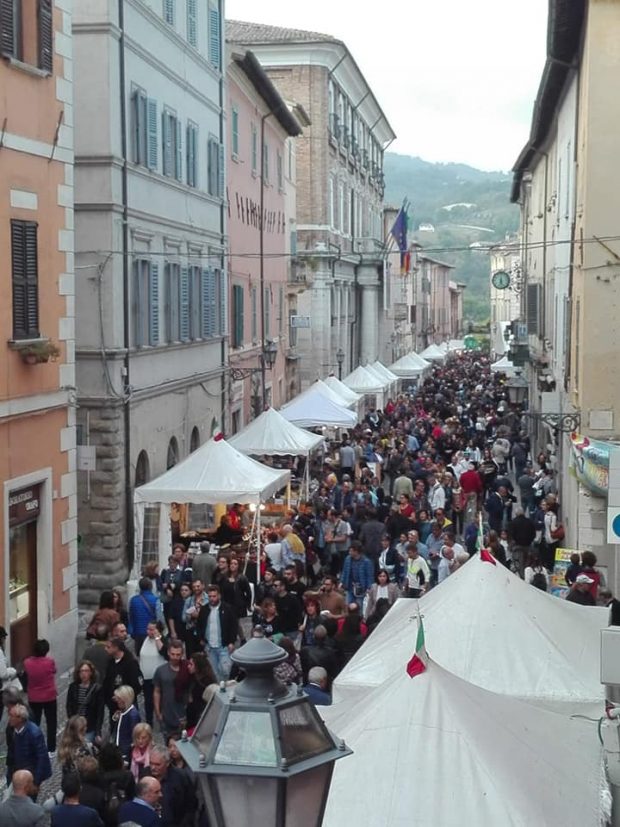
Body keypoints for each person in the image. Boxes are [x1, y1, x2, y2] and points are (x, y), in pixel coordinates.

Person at [5, 703, 52, 795]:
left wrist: (36, 782)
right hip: (16, 772)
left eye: (11, 716)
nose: (9, 718)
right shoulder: (13, 730)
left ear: (20, 719)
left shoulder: (34, 733)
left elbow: (41, 758)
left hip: (29, 776)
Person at [22, 639, 58, 757]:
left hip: (34, 697)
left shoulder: (27, 662)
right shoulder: (50, 662)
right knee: (51, 723)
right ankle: (51, 749)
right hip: (49, 696)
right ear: (46, 651)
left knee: (34, 723)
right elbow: (54, 671)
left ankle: (34, 747)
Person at [197, 584, 239, 681]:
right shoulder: (204, 609)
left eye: (214, 596)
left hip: (224, 646)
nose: (212, 599)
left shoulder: (227, 608)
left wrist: (232, 642)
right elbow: (199, 625)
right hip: (210, 647)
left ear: (219, 596)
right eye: (210, 596)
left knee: (225, 670)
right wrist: (201, 639)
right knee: (213, 672)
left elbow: (234, 626)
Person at [149, 746, 196, 827]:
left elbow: (191, 804)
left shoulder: (181, 777)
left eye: (157, 764)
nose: (153, 768)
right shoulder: (145, 774)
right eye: (151, 763)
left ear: (167, 763)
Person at [153, 639, 187, 739]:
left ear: (182, 654)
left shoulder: (186, 669)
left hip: (183, 715)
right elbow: (157, 691)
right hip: (167, 715)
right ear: (168, 653)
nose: (175, 657)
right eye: (173, 654)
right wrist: (158, 712)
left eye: (178, 654)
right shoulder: (160, 671)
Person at [103, 638, 143, 720]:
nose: (105, 649)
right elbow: (107, 681)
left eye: (108, 647)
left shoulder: (131, 663)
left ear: (116, 648)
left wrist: (124, 697)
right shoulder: (110, 662)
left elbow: (137, 685)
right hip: (113, 705)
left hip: (128, 704)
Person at [66, 661, 104, 744]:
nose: (84, 674)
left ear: (91, 673)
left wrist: (98, 732)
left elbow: (100, 712)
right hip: (76, 726)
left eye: (86, 671)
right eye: (81, 671)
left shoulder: (97, 689)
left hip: (89, 726)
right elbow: (69, 706)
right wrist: (73, 721)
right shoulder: (73, 687)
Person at [98, 743, 136, 824]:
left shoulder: (99, 777)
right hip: (125, 816)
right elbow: (133, 797)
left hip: (105, 818)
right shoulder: (127, 776)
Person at [139, 621, 167, 728]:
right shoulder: (144, 640)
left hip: (159, 678)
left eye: (152, 629)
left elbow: (163, 652)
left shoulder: (162, 640)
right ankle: (149, 722)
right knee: (148, 701)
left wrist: (157, 638)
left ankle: (162, 720)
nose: (149, 632)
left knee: (161, 701)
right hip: (146, 677)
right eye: (148, 629)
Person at [128, 578, 161, 655]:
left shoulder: (133, 600)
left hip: (138, 633)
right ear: (151, 587)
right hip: (152, 632)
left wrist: (131, 631)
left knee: (140, 654)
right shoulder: (156, 600)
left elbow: (131, 617)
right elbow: (159, 618)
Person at [111, 685, 141, 761]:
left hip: (125, 752)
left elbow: (134, 736)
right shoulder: (123, 711)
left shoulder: (132, 715)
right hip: (119, 749)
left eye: (118, 698)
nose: (116, 700)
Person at [340, 542, 374, 607]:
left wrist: (369, 588)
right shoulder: (348, 559)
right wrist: (342, 581)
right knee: (348, 605)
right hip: (350, 586)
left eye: (351, 551)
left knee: (359, 605)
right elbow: (344, 571)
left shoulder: (366, 562)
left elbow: (369, 576)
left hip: (361, 587)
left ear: (356, 552)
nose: (349, 552)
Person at [272, 576, 303, 642]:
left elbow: (299, 611)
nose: (274, 587)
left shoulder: (292, 598)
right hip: (279, 630)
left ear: (283, 587)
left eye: (276, 585)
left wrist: (299, 623)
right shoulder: (274, 597)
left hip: (292, 629)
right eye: (273, 585)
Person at [507, 507, 536, 577]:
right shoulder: (529, 522)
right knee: (528, 563)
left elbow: (510, 534)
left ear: (516, 514)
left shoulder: (513, 522)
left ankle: (522, 577)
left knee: (520, 563)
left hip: (518, 546)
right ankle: (528, 576)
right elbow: (533, 534)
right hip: (528, 546)